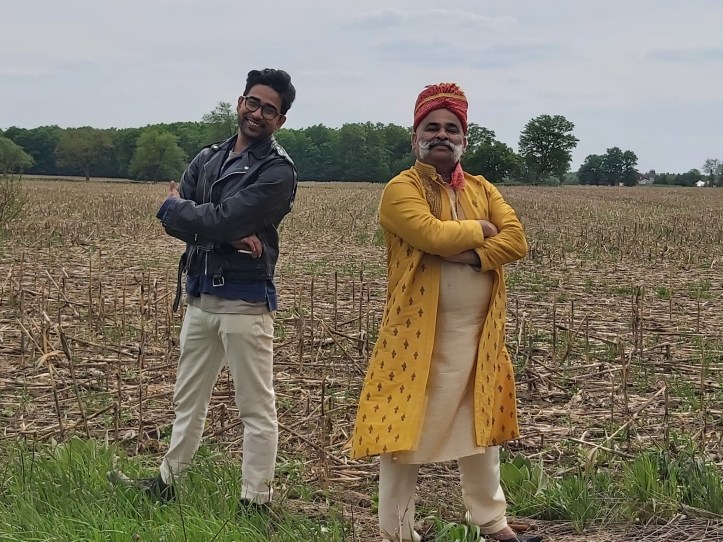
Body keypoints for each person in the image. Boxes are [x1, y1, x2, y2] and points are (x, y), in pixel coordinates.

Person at [349, 83, 539, 542]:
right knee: (402, 431)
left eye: (451, 129)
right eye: (431, 127)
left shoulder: (481, 187)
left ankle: (492, 524)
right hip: (418, 337)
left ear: (464, 140)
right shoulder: (401, 189)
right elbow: (431, 235)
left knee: (481, 428)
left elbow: (517, 240)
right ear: (414, 136)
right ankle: (398, 533)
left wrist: (470, 256)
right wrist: (483, 229)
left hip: (479, 335)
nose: (441, 135)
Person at [138, 68, 297, 512]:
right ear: (240, 102)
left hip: (245, 300)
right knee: (187, 400)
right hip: (199, 294)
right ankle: (166, 484)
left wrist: (194, 215)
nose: (258, 113)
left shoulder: (277, 171)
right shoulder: (208, 157)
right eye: (253, 102)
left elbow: (218, 216)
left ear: (280, 120)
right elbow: (183, 221)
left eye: (269, 109)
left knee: (255, 408)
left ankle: (255, 502)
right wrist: (220, 231)